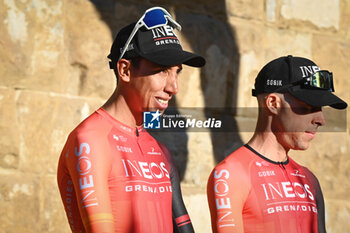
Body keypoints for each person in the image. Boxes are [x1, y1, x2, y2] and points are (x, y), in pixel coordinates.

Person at [57, 6, 205, 233]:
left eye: (177, 72)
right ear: (125, 70)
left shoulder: (160, 149)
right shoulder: (90, 140)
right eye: (162, 71)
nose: (173, 87)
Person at [207, 55, 347, 233]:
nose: (321, 120)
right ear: (273, 103)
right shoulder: (230, 174)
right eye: (309, 107)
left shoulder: (310, 180)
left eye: (321, 110)